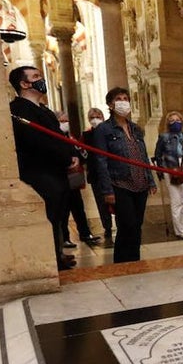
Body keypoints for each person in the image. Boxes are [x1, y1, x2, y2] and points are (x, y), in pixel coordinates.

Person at [8, 65, 79, 271]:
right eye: (36, 76)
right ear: (24, 83)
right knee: (48, 217)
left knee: (58, 216)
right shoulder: (19, 110)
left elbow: (59, 136)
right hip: (40, 172)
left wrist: (71, 154)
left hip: (55, 171)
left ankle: (57, 255)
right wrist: (65, 158)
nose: (41, 79)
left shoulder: (43, 110)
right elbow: (38, 142)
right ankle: (50, 259)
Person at [92, 87, 156, 263]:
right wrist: (107, 191)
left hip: (140, 183)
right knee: (126, 224)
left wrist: (150, 180)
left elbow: (143, 156)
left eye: (126, 98)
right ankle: (121, 262)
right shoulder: (104, 130)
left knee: (137, 226)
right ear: (111, 104)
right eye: (119, 98)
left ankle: (134, 260)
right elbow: (101, 161)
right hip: (120, 183)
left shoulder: (135, 128)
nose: (123, 101)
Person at [57, 110, 101, 249]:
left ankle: (85, 233)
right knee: (63, 211)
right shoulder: (55, 137)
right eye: (62, 121)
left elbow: (82, 153)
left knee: (79, 208)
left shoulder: (70, 137)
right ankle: (64, 238)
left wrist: (78, 157)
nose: (65, 124)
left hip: (73, 178)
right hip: (61, 178)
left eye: (66, 121)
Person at [153, 110, 183, 239]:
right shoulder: (164, 137)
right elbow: (158, 155)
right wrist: (160, 170)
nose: (175, 122)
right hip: (170, 168)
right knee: (176, 200)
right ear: (168, 123)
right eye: (172, 121)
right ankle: (179, 230)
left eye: (177, 120)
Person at [83, 107, 114, 246]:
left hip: (112, 171)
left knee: (116, 200)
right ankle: (107, 226)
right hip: (95, 173)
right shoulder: (86, 135)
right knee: (101, 202)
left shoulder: (109, 131)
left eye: (98, 116)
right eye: (92, 117)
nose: (95, 118)